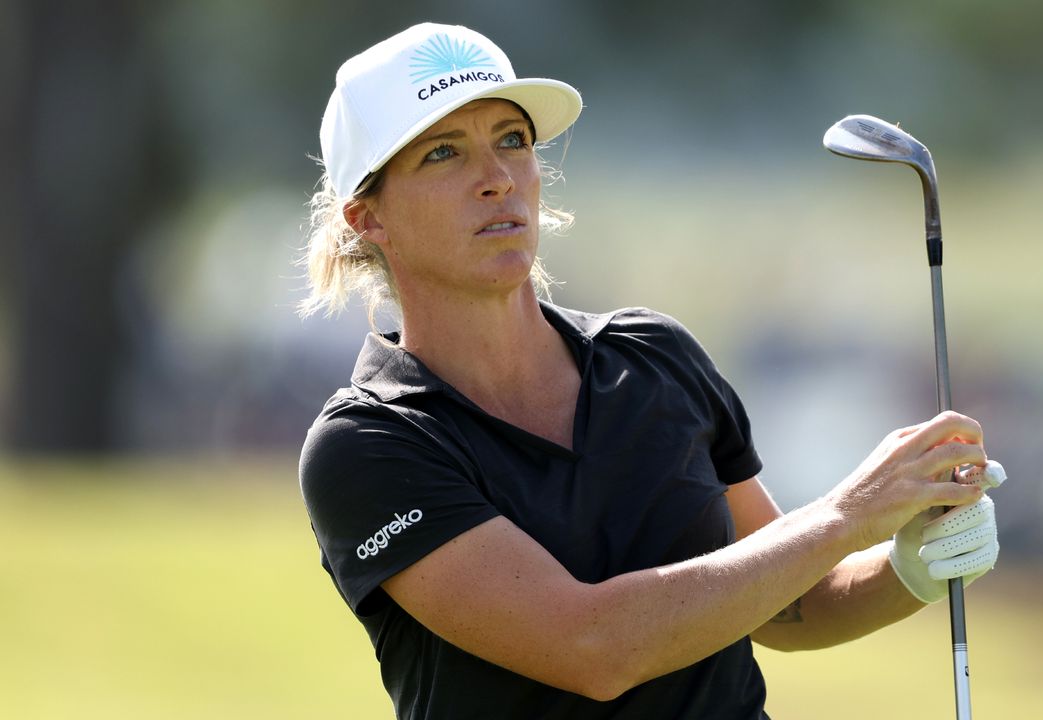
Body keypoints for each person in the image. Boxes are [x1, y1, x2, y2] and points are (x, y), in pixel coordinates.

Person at [298, 22, 1006, 720]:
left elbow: (786, 602)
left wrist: (909, 566)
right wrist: (849, 514)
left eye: (511, 140)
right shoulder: (369, 444)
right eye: (444, 153)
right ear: (367, 219)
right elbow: (591, 647)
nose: (496, 179)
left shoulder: (654, 359)